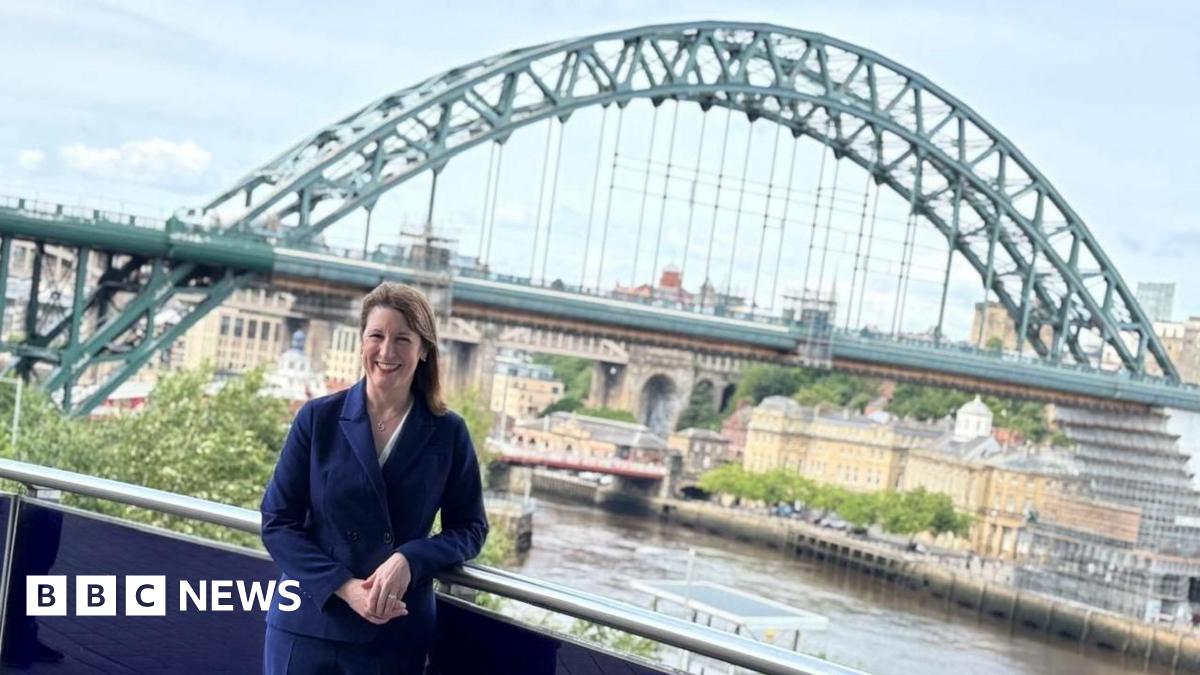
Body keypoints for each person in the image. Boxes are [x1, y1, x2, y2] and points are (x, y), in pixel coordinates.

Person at [260, 282, 488, 674]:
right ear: (361, 341)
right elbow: (277, 523)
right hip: (308, 622)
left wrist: (410, 558)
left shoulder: (448, 432)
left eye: (402, 339)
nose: (386, 351)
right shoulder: (317, 419)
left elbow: (470, 528)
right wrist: (345, 588)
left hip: (393, 632)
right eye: (376, 336)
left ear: (424, 350)